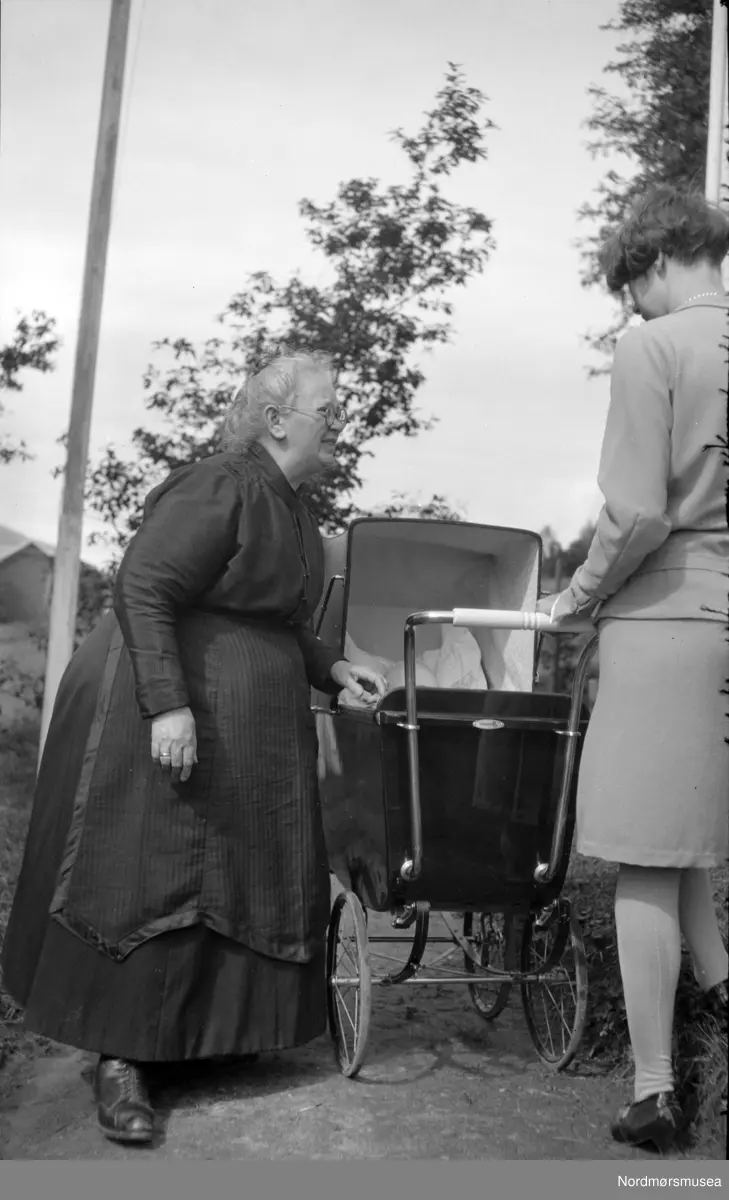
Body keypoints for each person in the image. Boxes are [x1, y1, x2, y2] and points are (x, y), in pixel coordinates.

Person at [1, 349, 386, 1146]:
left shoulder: (293, 507)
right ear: (275, 420)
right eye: (329, 408)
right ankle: (121, 1060)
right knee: (148, 870)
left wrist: (334, 668)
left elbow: (277, 621)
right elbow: (143, 585)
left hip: (239, 722)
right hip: (153, 701)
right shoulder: (221, 484)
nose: (341, 420)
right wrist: (168, 706)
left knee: (228, 870)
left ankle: (196, 1041)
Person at [538, 185, 729, 1153]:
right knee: (684, 826)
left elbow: (639, 511)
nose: (633, 306)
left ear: (654, 262)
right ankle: (723, 990)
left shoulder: (653, 346)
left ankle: (656, 1092)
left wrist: (575, 597)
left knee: (645, 852)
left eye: (632, 287)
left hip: (670, 615)